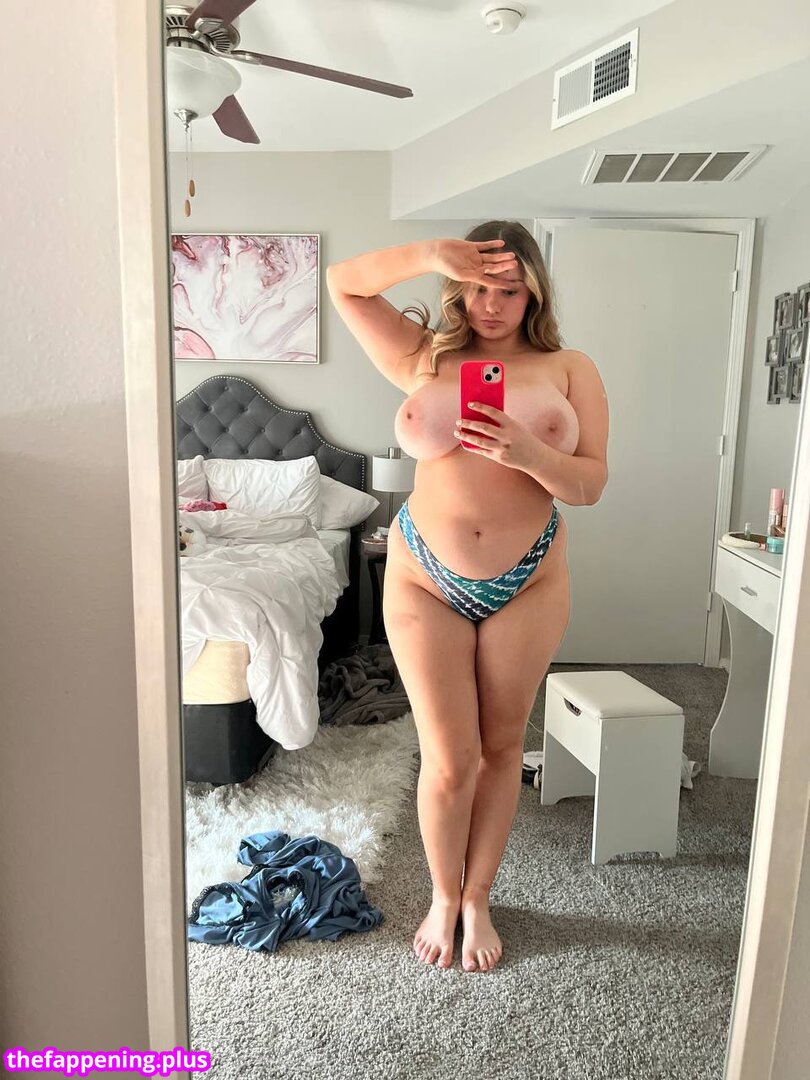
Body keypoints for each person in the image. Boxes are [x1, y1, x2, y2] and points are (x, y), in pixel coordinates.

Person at [326, 221, 609, 972]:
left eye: (508, 289)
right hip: (426, 576)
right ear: (457, 286)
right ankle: (442, 897)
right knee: (449, 759)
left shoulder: (569, 368)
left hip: (529, 579)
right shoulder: (425, 356)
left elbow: (590, 484)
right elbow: (343, 284)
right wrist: (427, 253)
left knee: (500, 748)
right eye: (478, 287)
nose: (491, 304)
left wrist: (530, 452)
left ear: (534, 293)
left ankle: (478, 896)